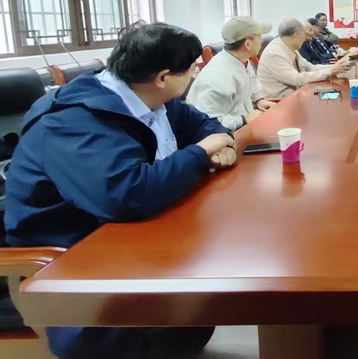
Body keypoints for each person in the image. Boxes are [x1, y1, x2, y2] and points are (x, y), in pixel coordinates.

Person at [5, 22, 236, 359]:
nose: (197, 72)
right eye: (191, 67)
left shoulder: (154, 97)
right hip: (71, 253)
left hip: (125, 234)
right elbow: (128, 195)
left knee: (213, 254)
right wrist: (201, 152)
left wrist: (219, 142)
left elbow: (205, 125)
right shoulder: (75, 120)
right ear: (163, 77)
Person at [186, 16, 276, 130]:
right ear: (248, 44)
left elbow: (251, 81)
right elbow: (207, 122)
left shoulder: (241, 59)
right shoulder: (218, 77)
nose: (261, 41)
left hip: (245, 126)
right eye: (259, 37)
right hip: (224, 134)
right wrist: (243, 119)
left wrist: (259, 100)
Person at [258, 18, 351, 99]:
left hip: (297, 95)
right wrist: (329, 71)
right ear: (295, 36)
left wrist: (335, 67)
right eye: (304, 35)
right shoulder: (274, 53)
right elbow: (296, 79)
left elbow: (310, 67)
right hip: (280, 103)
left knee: (337, 96)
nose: (305, 39)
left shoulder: (290, 46)